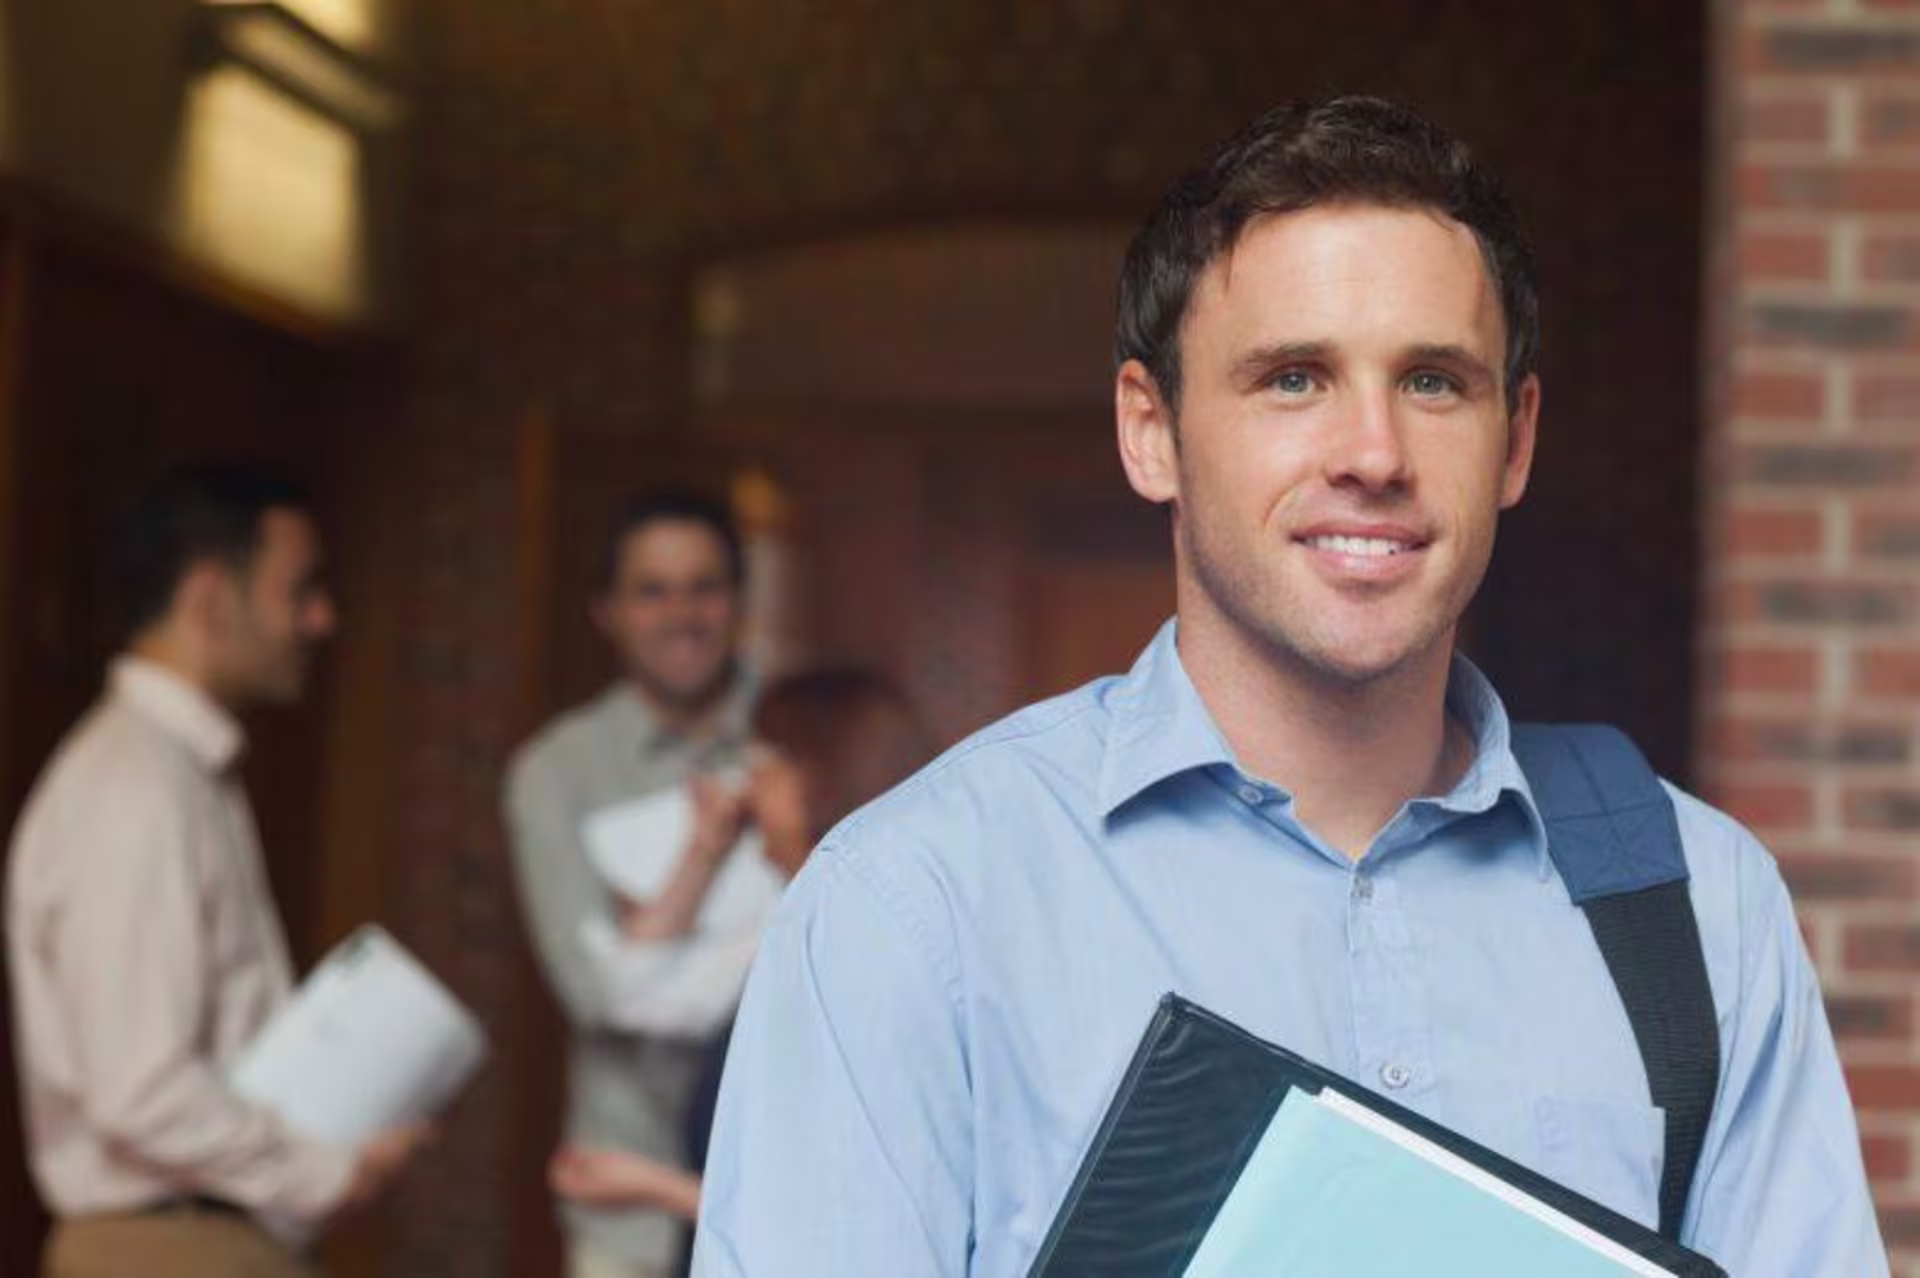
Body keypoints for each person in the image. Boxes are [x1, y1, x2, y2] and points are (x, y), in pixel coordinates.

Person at [693, 97, 1888, 1276]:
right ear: (1150, 431)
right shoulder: (917, 909)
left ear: (1514, 439)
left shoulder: (1704, 907)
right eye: (1293, 379)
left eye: (1433, 382)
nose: (1372, 454)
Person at [5, 464, 427, 1278]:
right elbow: (140, 1090)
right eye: (299, 590)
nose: (321, 618)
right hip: (167, 1245)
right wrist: (325, 1172)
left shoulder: (181, 773)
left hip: (207, 1234)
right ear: (209, 598)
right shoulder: (136, 785)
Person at [547, 668, 932, 1257]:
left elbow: (836, 1214)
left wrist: (654, 1188)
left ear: (819, 778)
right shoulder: (789, 921)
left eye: (769, 758)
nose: (750, 781)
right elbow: (631, 992)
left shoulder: (854, 953)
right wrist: (705, 849)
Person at [504, 491, 767, 1278]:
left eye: (705, 587)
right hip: (628, 1206)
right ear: (607, 611)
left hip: (776, 1173)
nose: (681, 613)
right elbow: (596, 990)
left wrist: (646, 927)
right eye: (652, 590)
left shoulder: (798, 735)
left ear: (738, 601)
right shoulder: (559, 771)